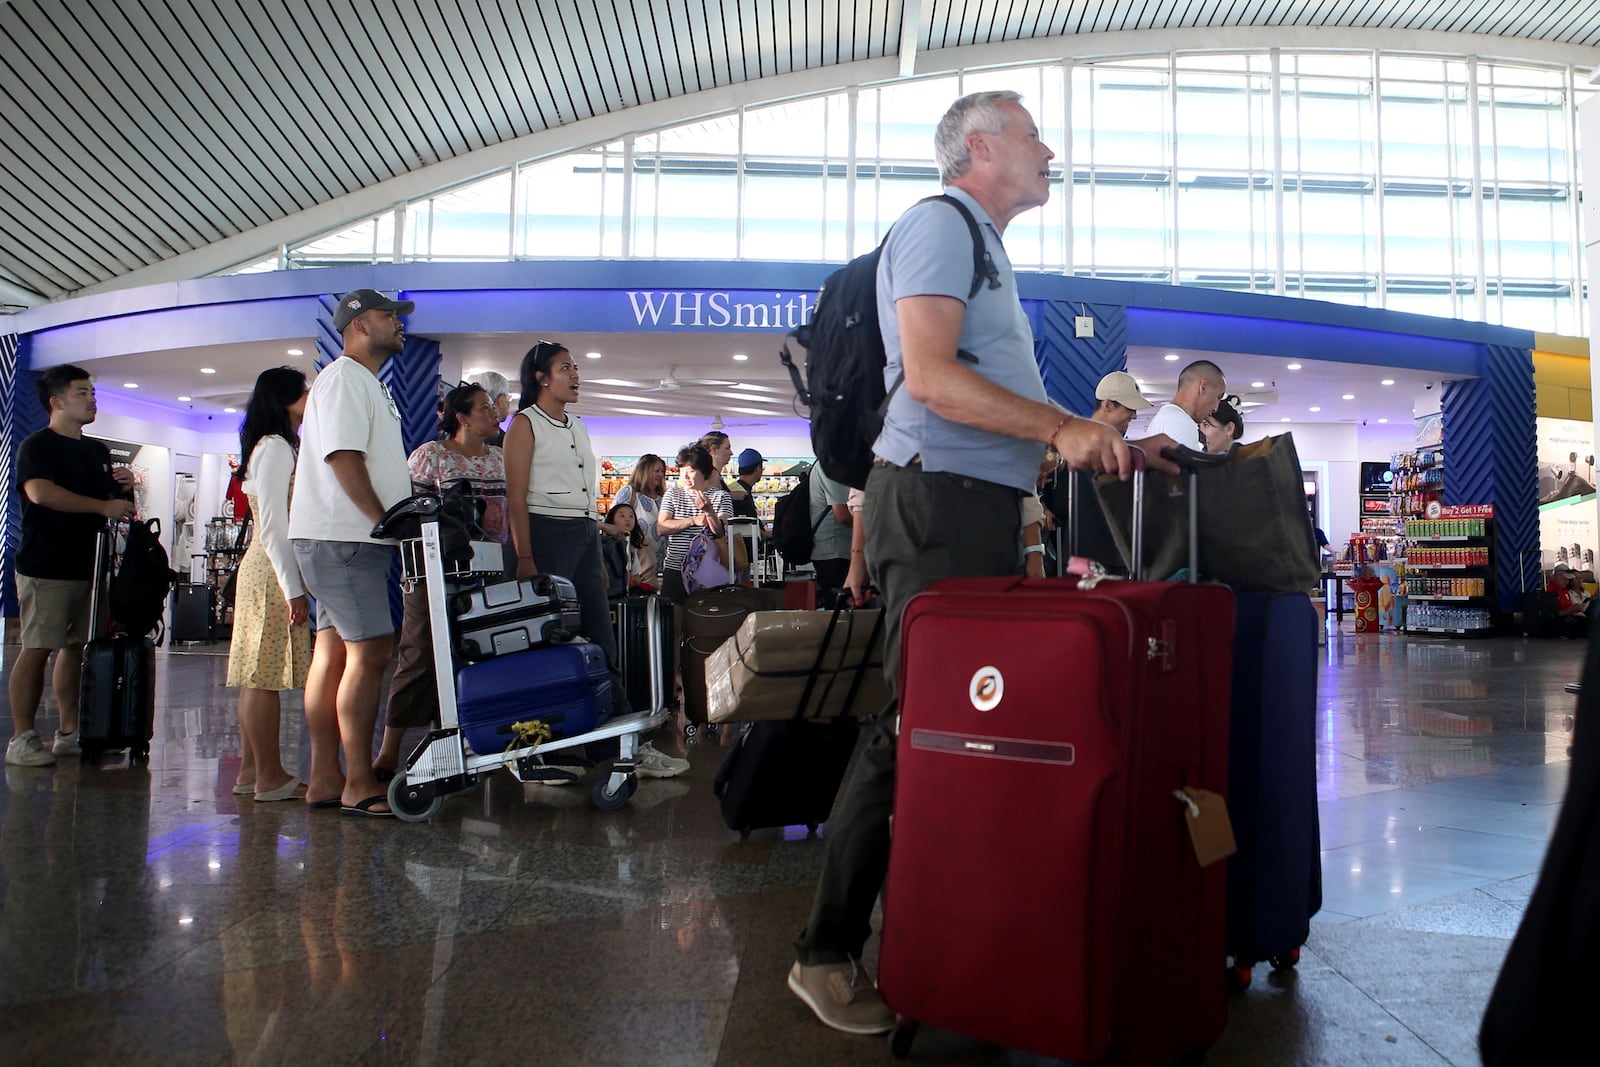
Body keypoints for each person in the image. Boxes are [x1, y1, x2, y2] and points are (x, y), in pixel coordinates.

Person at [785, 90, 1178, 1035]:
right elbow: (928, 379)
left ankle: (929, 916)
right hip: (932, 505)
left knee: (950, 714)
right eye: (1034, 134)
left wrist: (1105, 444)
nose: (1052, 149)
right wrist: (1060, 426)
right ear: (979, 148)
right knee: (919, 715)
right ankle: (825, 949)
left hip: (974, 505)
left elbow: (980, 398)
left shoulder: (986, 246)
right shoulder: (936, 225)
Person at [504, 340, 688, 780]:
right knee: (545, 644)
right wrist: (526, 557)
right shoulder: (524, 425)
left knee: (602, 644)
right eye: (566, 367)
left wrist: (595, 552)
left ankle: (620, 747)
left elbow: (587, 501)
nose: (576, 375)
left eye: (576, 367)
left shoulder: (577, 426)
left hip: (583, 537)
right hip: (544, 535)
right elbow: (515, 499)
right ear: (541, 377)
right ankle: (535, 752)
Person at [289, 288, 415, 816]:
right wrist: (383, 519)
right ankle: (358, 781)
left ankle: (324, 777)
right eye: (390, 316)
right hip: (345, 538)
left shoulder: (365, 382)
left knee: (335, 652)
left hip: (343, 537)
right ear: (360, 324)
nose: (399, 324)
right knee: (371, 652)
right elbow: (343, 456)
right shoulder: (343, 377)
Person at [372, 382, 509, 781]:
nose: (494, 413)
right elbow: (408, 514)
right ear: (462, 418)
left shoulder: (501, 459)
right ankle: (388, 750)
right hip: (431, 571)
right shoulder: (430, 457)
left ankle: (457, 740)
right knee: (419, 654)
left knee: (479, 652)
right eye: (485, 408)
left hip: (488, 569)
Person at [5, 366, 136, 767]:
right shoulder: (37, 446)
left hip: (90, 568)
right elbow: (41, 493)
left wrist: (125, 485)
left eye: (93, 392)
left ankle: (69, 731)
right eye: (82, 392)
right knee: (37, 647)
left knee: (75, 648)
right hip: (47, 565)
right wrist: (101, 505)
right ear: (56, 402)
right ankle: (22, 737)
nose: (92, 399)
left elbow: (116, 503)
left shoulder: (96, 451)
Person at [225, 367, 312, 801]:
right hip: (271, 571)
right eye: (304, 391)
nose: (311, 396)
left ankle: (250, 771)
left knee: (254, 675)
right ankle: (271, 776)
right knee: (263, 677)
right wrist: (293, 586)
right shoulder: (277, 448)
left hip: (261, 569)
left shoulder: (269, 446)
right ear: (285, 401)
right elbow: (275, 527)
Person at [656, 442, 733, 603]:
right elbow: (661, 527)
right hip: (675, 566)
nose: (685, 477)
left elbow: (722, 533)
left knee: (705, 615)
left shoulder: (720, 497)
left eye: (690, 471)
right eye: (681, 471)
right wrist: (692, 521)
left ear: (704, 471)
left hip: (709, 568)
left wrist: (709, 511)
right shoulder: (672, 494)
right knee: (673, 613)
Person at [1147, 360, 1228, 450]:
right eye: (1218, 397)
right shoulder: (1182, 423)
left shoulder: (1163, 417)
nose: (1216, 408)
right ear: (1203, 386)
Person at [808, 461, 853, 601]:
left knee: (837, 605)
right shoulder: (831, 465)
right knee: (842, 608)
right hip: (835, 550)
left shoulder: (827, 464)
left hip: (832, 550)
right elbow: (843, 514)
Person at [613, 454, 667, 568]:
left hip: (659, 560)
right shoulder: (629, 493)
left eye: (662, 471)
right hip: (635, 558)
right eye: (656, 471)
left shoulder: (663, 497)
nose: (660, 475)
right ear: (644, 471)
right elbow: (614, 519)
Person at [601, 502, 655, 596]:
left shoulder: (632, 547)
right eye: (622, 516)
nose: (627, 519)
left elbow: (636, 575)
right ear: (611, 520)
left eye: (631, 516)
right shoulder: (604, 544)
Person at [1090, 370, 1151, 435]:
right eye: (1129, 408)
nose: (1134, 416)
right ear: (1108, 405)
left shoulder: (1100, 441)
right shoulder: (1081, 442)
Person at [465, 370, 512, 446]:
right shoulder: (507, 442)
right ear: (501, 400)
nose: (509, 403)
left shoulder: (458, 433)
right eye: (508, 398)